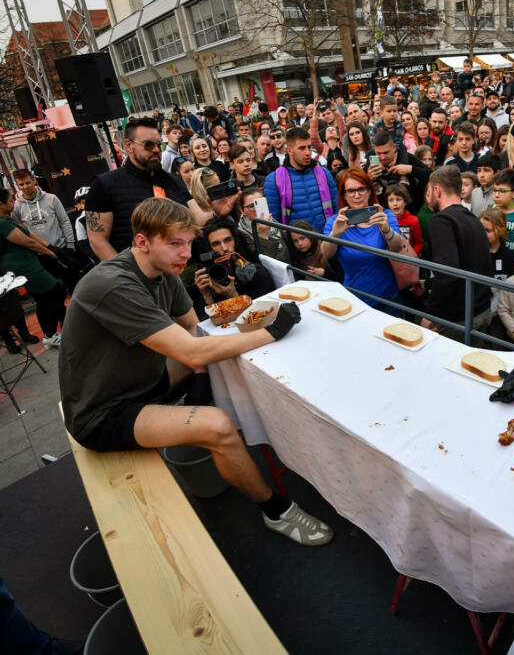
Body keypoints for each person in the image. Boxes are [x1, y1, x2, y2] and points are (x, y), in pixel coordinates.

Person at [60, 197, 332, 545]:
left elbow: (198, 326)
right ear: (142, 242)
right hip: (102, 411)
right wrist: (270, 331)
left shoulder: (163, 270)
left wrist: (253, 305)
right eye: (175, 243)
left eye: (188, 243)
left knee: (215, 361)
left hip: (143, 379)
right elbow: (191, 349)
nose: (185, 253)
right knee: (217, 426)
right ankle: (277, 510)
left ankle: (242, 424)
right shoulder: (112, 283)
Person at [86, 117, 190, 260]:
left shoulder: (174, 180)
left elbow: (196, 218)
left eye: (159, 145)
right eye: (148, 145)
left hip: (183, 268)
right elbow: (97, 240)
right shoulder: (104, 185)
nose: (155, 150)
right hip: (136, 274)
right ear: (129, 146)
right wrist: (128, 274)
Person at [418, 166, 493, 340]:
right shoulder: (473, 219)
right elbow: (468, 264)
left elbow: (448, 274)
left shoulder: (441, 221)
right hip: (481, 311)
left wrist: (429, 315)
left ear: (436, 190)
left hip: (459, 318)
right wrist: (428, 284)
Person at [321, 169, 404, 314]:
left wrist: (386, 229)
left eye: (361, 189)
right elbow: (326, 254)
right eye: (351, 191)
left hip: (388, 297)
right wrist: (336, 233)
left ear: (370, 191)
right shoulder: (336, 221)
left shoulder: (384, 215)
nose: (357, 195)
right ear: (344, 195)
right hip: (355, 298)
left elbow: (397, 248)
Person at [0, 188, 66, 348]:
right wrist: (49, 252)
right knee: (58, 292)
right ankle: (50, 334)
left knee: (43, 299)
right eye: (10, 200)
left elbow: (29, 235)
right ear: (0, 204)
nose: (14, 202)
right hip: (23, 266)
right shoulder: (1, 223)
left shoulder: (8, 219)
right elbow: (26, 242)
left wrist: (49, 246)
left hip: (27, 262)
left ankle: (49, 335)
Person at [264, 127, 338, 233]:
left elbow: (337, 208)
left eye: (309, 147)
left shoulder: (325, 173)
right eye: (302, 148)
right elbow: (275, 222)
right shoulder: (273, 180)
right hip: (294, 245)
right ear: (289, 150)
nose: (308, 152)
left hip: (328, 240)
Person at [193, 219, 275, 312]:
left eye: (227, 240)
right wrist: (207, 295)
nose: (224, 248)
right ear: (210, 248)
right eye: (216, 244)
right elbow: (213, 321)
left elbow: (264, 313)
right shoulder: (210, 274)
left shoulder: (255, 272)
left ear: (235, 240)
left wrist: (233, 296)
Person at [365, 130, 432, 213]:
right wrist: (368, 178)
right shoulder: (371, 164)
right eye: (379, 153)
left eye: (386, 153)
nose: (382, 157)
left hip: (409, 213)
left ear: (394, 147)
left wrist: (411, 169)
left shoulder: (407, 158)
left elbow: (431, 175)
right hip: (383, 214)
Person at [237, 187, 289, 262]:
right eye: (251, 206)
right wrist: (262, 236)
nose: (257, 209)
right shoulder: (241, 234)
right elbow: (261, 262)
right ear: (242, 210)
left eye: (261, 204)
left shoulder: (273, 222)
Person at [384, 183, 423, 255]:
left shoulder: (414, 220)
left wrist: (412, 257)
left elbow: (419, 243)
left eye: (398, 199)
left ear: (405, 202)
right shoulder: (384, 220)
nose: (395, 203)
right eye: (391, 200)